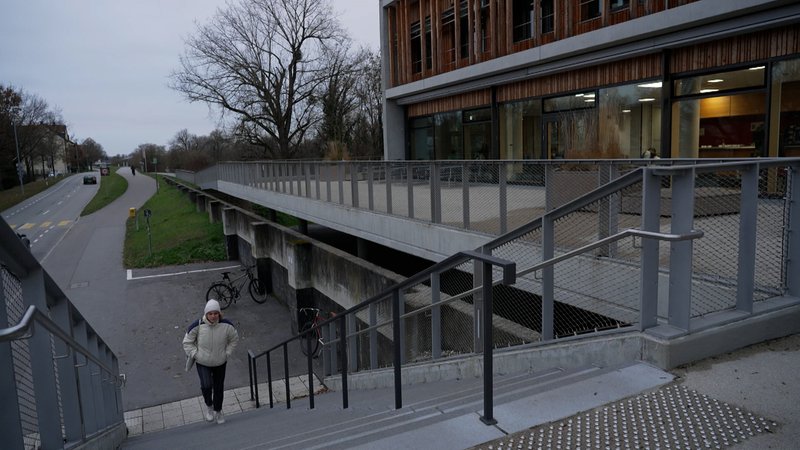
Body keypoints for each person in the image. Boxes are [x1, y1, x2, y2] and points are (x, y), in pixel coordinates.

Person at [183, 299, 239, 424]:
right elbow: (187, 342)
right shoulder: (197, 325)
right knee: (206, 385)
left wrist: (227, 353)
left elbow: (234, 339)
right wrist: (195, 354)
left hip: (220, 362)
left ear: (219, 313)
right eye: (210, 313)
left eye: (215, 313)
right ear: (206, 314)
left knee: (219, 388)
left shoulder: (227, 325)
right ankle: (209, 406)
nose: (213, 316)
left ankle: (218, 411)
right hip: (203, 362)